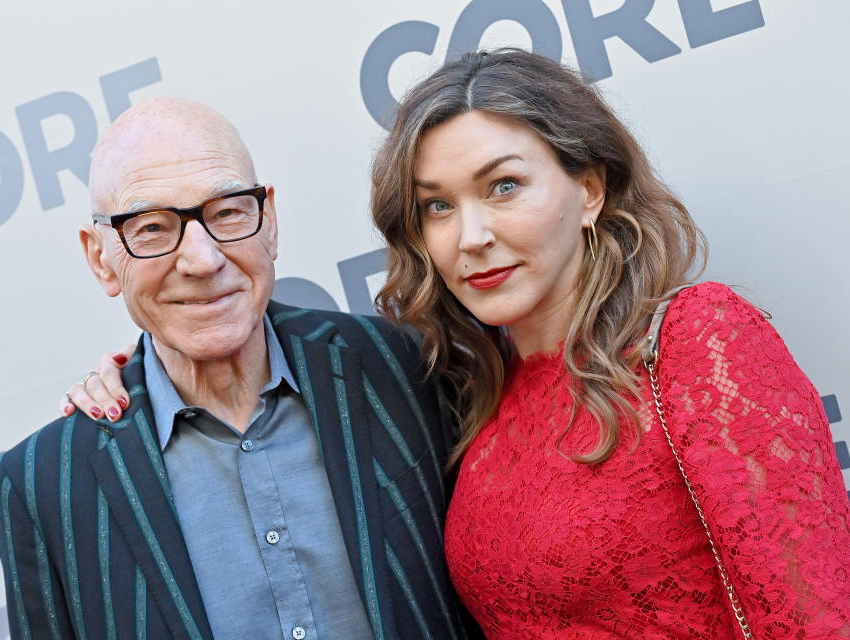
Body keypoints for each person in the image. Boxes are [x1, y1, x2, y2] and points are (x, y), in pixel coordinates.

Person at [69, 52, 850, 638]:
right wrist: (134, 382)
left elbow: (816, 617)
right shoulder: (461, 390)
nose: (472, 235)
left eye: (503, 186)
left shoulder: (698, 340)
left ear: (589, 187)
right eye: (436, 207)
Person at [0, 97, 477, 640]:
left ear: (267, 222)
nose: (202, 260)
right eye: (151, 227)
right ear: (101, 258)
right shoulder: (48, 481)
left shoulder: (404, 364)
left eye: (227, 212)